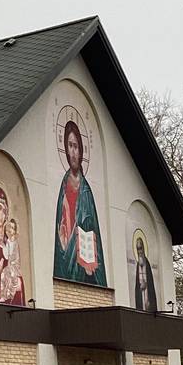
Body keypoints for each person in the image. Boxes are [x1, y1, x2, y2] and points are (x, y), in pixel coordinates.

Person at [53, 120, 107, 285]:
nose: (73, 151)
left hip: (85, 263)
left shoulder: (86, 191)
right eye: (70, 146)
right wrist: (63, 241)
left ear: (81, 150)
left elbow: (93, 229)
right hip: (65, 257)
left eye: (76, 146)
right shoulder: (62, 186)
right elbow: (59, 224)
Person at [133, 235, 158, 311]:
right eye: (137, 249)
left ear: (143, 249)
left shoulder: (147, 264)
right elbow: (137, 287)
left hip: (148, 300)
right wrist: (140, 288)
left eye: (140, 249)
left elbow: (150, 286)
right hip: (141, 301)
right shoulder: (138, 265)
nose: (139, 252)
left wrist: (149, 300)